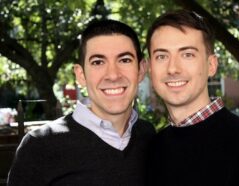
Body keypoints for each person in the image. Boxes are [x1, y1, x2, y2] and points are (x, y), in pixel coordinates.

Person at [146, 9, 239, 186]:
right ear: (150, 68)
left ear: (211, 65)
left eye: (187, 54)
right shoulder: (153, 149)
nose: (173, 68)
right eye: (161, 56)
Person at [8, 19, 155, 185]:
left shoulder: (148, 135)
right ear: (80, 75)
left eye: (124, 60)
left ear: (141, 69)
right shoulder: (39, 145)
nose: (113, 75)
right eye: (98, 62)